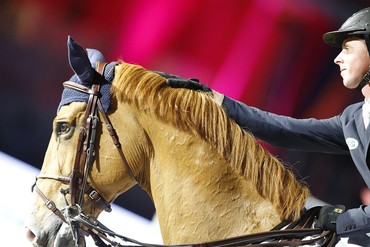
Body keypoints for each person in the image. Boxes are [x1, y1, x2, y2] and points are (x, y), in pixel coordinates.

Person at [164, 7, 370, 246]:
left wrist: (342, 220)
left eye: (347, 49)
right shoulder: (354, 118)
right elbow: (285, 130)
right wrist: (216, 101)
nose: (337, 58)